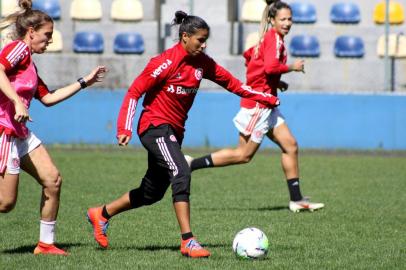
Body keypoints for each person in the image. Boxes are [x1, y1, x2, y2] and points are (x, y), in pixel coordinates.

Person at [86, 10, 280, 258]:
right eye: (200, 39)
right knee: (180, 171)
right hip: (154, 127)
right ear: (185, 37)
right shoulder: (164, 63)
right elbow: (134, 92)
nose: (204, 44)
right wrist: (124, 128)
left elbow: (235, 85)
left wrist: (265, 97)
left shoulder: (204, 63)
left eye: (206, 39)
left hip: (174, 132)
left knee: (151, 192)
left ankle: (101, 214)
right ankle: (188, 241)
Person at [187, 0, 324, 213]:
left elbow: (253, 61)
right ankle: (191, 165)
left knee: (290, 145)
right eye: (283, 19)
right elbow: (269, 66)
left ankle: (296, 199)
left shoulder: (271, 39)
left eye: (290, 19)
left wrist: (276, 82)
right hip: (259, 105)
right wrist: (291, 67)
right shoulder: (274, 40)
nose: (287, 23)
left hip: (268, 103)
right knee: (243, 155)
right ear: (272, 20)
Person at [0, 0, 107, 255]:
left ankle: (45, 244)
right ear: (31, 32)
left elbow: (48, 98)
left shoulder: (30, 66)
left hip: (20, 133)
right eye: (47, 35)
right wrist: (16, 100)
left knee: (52, 180)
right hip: (4, 130)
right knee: (5, 203)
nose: (49, 40)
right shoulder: (18, 49)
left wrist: (83, 82)